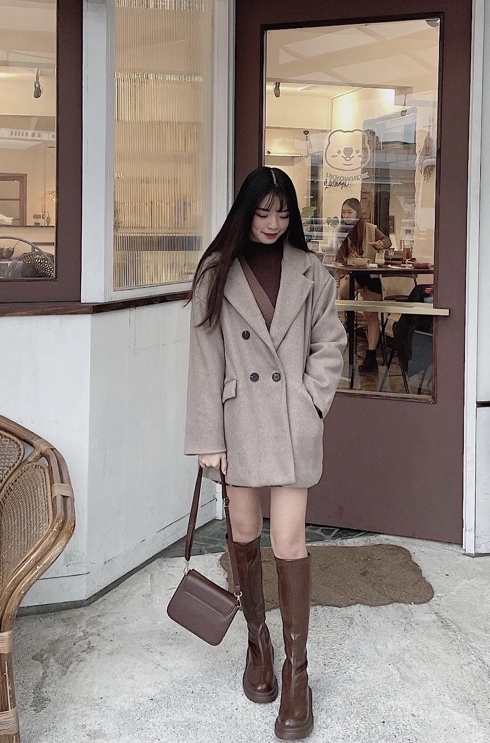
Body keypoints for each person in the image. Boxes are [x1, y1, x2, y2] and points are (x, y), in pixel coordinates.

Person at [184, 166, 346, 741]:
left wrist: (311, 400)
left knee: (290, 541)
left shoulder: (311, 271)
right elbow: (205, 357)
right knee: (245, 533)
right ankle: (258, 642)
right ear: (245, 211)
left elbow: (331, 342)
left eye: (283, 212)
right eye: (262, 212)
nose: (273, 223)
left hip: (292, 423)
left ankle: (297, 674)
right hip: (240, 424)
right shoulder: (216, 271)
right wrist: (208, 438)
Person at [335, 197, 392, 372]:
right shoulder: (341, 232)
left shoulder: (369, 228)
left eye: (349, 212)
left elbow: (388, 241)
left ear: (358, 213)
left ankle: (371, 355)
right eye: (344, 212)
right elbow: (338, 259)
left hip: (370, 273)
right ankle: (348, 322)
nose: (346, 215)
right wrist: (341, 269)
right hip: (352, 274)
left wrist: (380, 244)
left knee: (372, 314)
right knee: (343, 292)